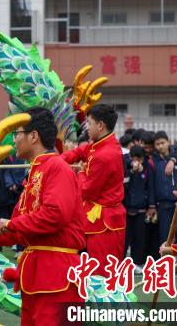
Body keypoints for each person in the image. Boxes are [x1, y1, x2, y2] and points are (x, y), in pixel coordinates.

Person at [0, 107, 86, 326]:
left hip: (56, 274)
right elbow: (12, 232)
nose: (14, 140)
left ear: (33, 136)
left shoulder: (57, 168)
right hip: (35, 274)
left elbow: (55, 215)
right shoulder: (36, 172)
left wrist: (12, 224)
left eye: (17, 133)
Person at [61, 104, 125, 276]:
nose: (86, 127)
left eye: (89, 123)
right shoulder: (102, 143)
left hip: (104, 221)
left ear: (100, 125)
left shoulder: (105, 154)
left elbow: (87, 190)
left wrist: (80, 172)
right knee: (95, 270)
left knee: (103, 273)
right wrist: (59, 160)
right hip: (98, 217)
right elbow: (82, 151)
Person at [151, 131, 177, 244]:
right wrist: (152, 205)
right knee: (165, 236)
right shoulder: (153, 160)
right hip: (162, 205)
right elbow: (151, 185)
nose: (160, 146)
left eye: (162, 143)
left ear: (168, 142)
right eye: (157, 144)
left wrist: (172, 160)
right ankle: (167, 256)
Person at [123, 145, 152, 269]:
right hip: (126, 208)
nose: (137, 162)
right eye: (134, 159)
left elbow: (150, 187)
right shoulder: (126, 165)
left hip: (141, 209)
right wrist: (131, 169)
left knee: (139, 238)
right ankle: (121, 263)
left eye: (139, 159)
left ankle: (137, 263)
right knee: (125, 238)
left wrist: (151, 205)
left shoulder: (148, 167)